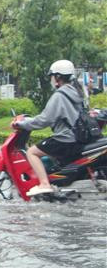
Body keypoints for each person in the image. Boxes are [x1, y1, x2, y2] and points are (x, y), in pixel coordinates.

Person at [12, 59, 85, 196]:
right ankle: (53, 183)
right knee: (46, 153)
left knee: (32, 152)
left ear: (58, 77)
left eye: (52, 76)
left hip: (65, 139)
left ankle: (44, 184)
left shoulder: (60, 95)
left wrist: (21, 123)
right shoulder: (77, 92)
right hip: (77, 138)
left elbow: (44, 120)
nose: (51, 80)